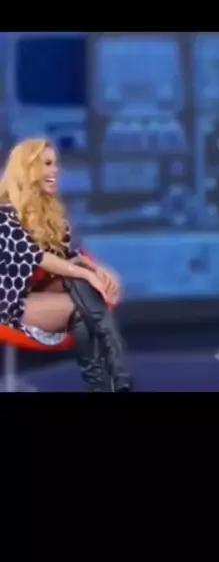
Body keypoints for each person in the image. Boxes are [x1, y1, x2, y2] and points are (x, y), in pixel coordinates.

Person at [0, 138, 132, 391]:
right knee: (82, 303)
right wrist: (87, 274)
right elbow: (37, 256)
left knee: (86, 289)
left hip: (31, 292)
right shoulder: (5, 211)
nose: (54, 170)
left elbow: (68, 254)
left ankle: (111, 374)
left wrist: (97, 271)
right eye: (46, 164)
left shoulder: (49, 210)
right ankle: (109, 376)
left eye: (54, 164)